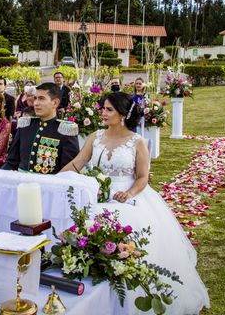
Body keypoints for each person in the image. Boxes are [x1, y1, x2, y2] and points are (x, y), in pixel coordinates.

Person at [60, 91, 210, 314]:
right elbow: (77, 163)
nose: (103, 113)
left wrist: (128, 194)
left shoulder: (137, 142)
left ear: (122, 114)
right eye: (103, 108)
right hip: (97, 195)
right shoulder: (95, 137)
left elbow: (142, 177)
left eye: (109, 109)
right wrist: (55, 179)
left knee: (128, 248)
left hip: (129, 198)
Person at [2, 82, 79, 174]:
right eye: (35, 98)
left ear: (55, 103)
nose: (36, 103)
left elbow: (68, 172)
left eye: (41, 99)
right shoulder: (25, 125)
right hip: (21, 184)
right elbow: (11, 162)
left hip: (49, 186)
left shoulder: (65, 130)